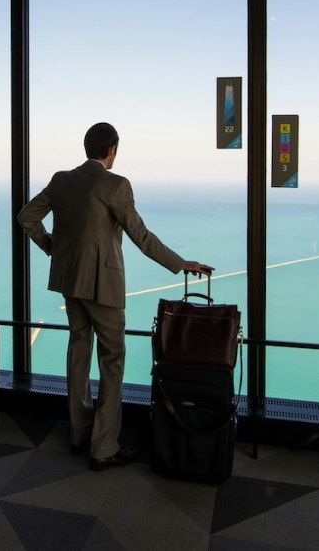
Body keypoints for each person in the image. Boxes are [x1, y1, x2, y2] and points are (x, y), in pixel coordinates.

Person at [17, 122, 214, 471]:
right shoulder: (115, 184)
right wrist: (181, 264)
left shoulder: (62, 180)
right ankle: (104, 446)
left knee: (79, 354)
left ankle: (79, 434)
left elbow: (26, 217)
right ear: (112, 150)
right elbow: (141, 236)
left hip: (69, 283)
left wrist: (54, 248)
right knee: (112, 361)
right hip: (103, 289)